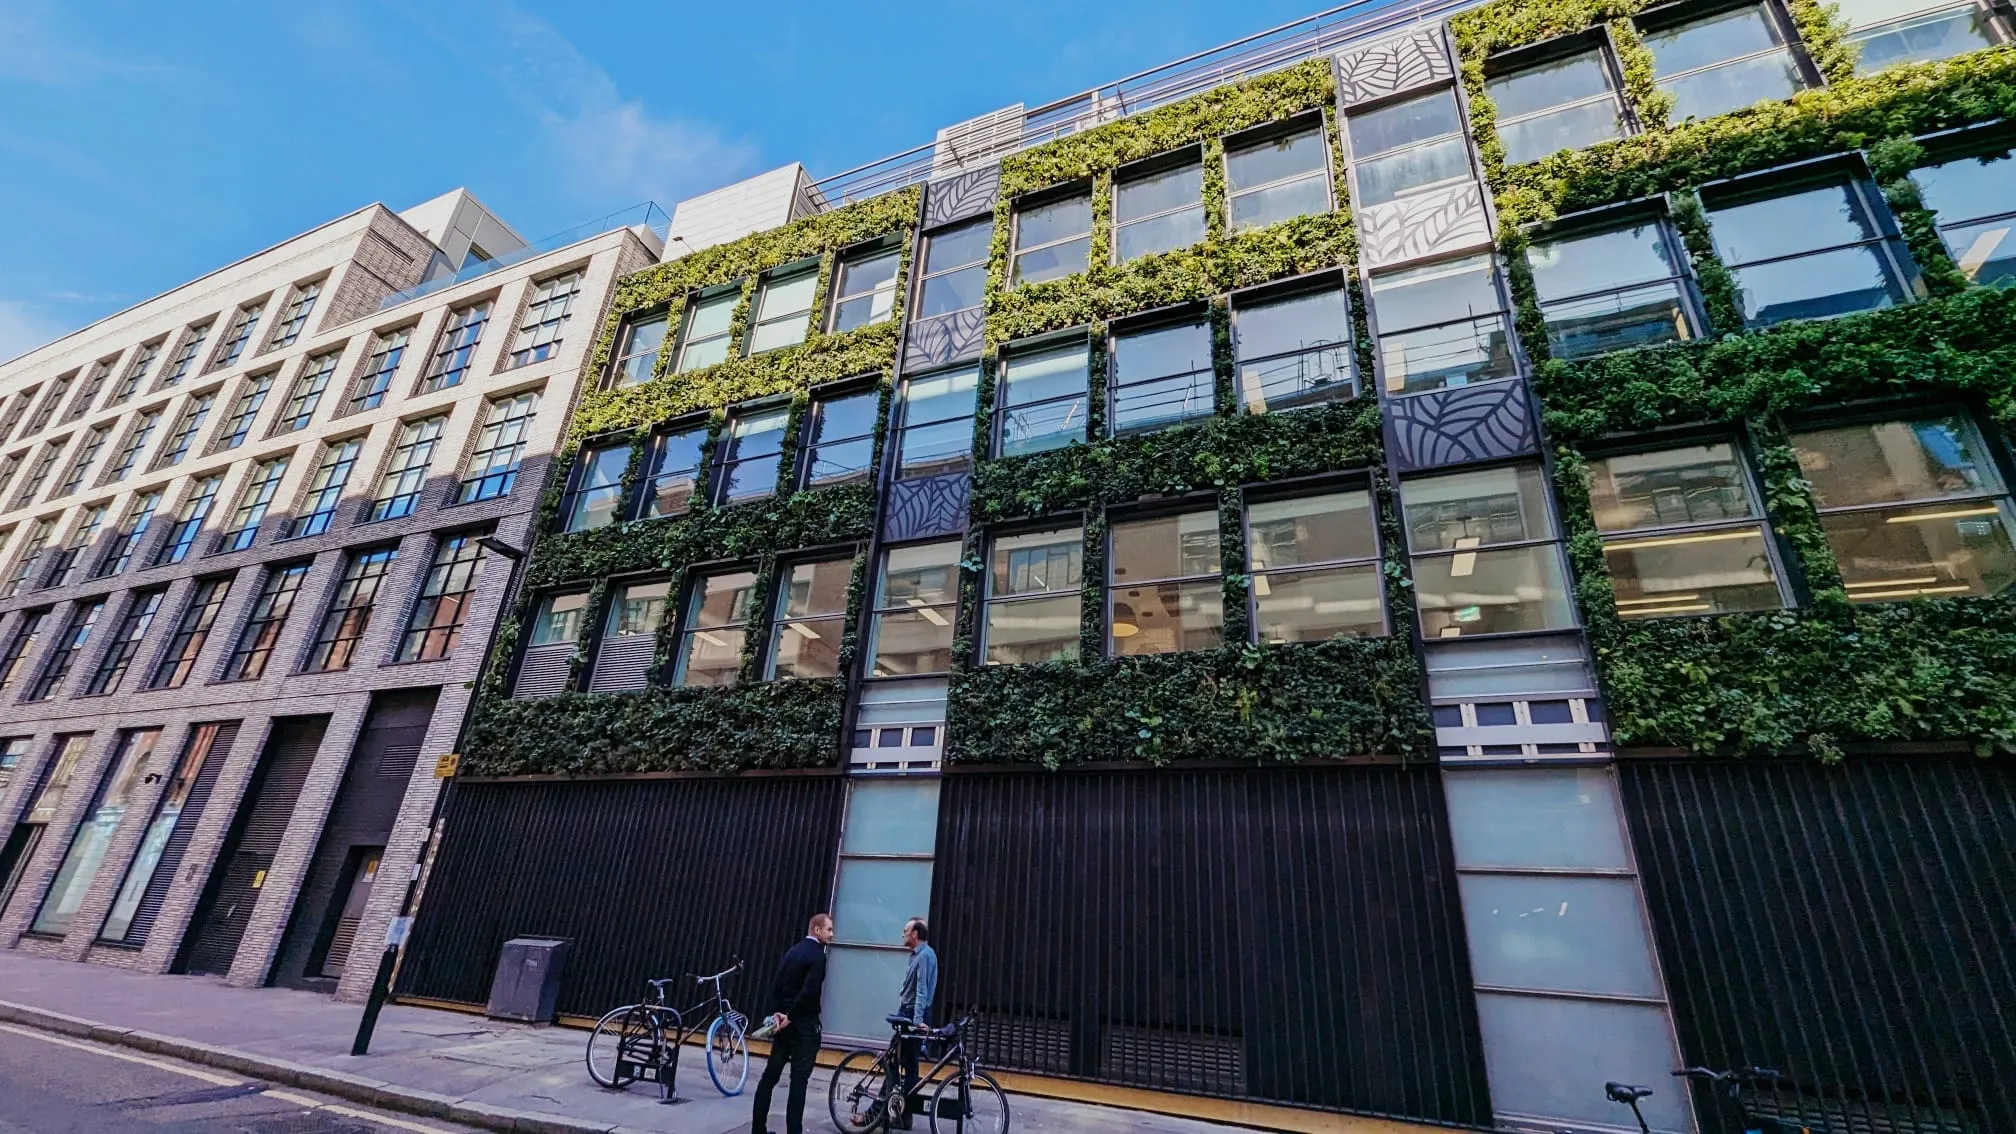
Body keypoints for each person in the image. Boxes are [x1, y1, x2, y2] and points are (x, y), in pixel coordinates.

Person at [751, 912, 832, 1134]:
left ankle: (758, 1129)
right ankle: (793, 1131)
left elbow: (776, 985)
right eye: (829, 930)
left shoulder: (792, 952)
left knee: (769, 1077)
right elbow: (810, 991)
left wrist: (778, 1013)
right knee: (799, 1081)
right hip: (804, 1025)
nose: (831, 934)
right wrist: (792, 1016)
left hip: (783, 1026)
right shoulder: (818, 956)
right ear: (817, 930)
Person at [891, 917, 937, 1130]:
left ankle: (879, 1113)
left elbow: (922, 991)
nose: (903, 934)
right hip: (910, 1013)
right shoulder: (919, 955)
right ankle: (902, 1115)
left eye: (906, 930)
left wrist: (917, 1021)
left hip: (912, 1015)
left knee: (897, 1065)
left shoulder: (925, 956)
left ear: (915, 934)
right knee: (906, 1065)